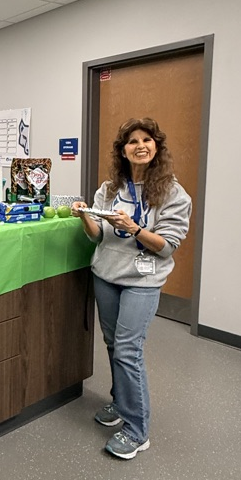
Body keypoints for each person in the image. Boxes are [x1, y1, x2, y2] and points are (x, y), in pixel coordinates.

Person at [71, 117, 191, 460]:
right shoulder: (110, 189)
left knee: (128, 350)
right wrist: (84, 215)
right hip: (107, 275)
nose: (140, 146)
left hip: (143, 281)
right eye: (132, 141)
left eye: (147, 140)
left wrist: (135, 228)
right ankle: (121, 403)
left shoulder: (173, 194)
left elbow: (166, 246)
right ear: (122, 151)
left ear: (156, 147)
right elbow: (98, 236)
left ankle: (138, 431)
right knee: (112, 344)